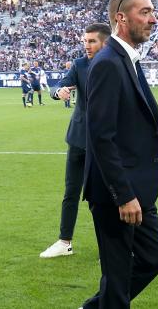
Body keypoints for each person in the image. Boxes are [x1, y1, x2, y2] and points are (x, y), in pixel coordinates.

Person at [81, 0, 158, 308]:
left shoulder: (127, 59)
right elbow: (100, 136)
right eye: (144, 12)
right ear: (121, 18)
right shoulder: (108, 63)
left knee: (154, 257)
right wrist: (124, 194)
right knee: (117, 279)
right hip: (117, 193)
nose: (153, 19)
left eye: (152, 12)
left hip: (138, 188)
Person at [40, 22, 111, 259]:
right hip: (78, 139)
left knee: (105, 195)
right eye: (85, 41)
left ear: (105, 43)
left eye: (92, 41)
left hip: (105, 143)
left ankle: (114, 244)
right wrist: (58, 92)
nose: (87, 46)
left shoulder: (116, 66)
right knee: (71, 192)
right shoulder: (80, 65)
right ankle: (64, 241)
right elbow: (59, 84)